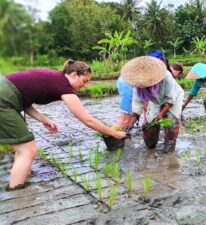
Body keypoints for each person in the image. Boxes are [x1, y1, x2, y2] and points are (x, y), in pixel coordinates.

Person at [0, 59, 127, 191]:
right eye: (84, 81)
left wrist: (44, 119)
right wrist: (114, 133)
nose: (85, 86)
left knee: (22, 148)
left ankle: (22, 177)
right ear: (73, 74)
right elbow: (88, 120)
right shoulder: (63, 86)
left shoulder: (56, 78)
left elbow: (24, 99)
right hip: (4, 100)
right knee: (28, 150)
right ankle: (16, 193)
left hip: (6, 95)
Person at [122, 56, 184, 153]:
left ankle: (169, 145)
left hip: (173, 98)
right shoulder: (138, 84)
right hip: (155, 100)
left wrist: (161, 114)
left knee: (171, 123)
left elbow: (170, 99)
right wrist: (130, 124)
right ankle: (151, 144)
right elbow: (137, 106)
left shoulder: (166, 76)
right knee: (148, 126)